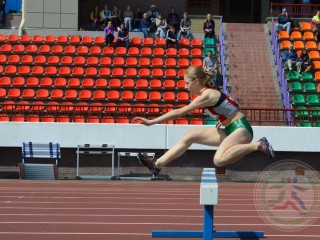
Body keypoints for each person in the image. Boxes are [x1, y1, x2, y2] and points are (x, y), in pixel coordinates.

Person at [133, 66, 275, 175]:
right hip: (231, 128)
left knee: (218, 160)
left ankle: (258, 145)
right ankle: (156, 165)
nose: (185, 87)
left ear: (196, 81)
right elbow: (232, 106)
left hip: (240, 128)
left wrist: (151, 122)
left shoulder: (207, 95)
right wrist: (225, 118)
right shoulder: (208, 93)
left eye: (187, 83)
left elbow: (179, 113)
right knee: (190, 135)